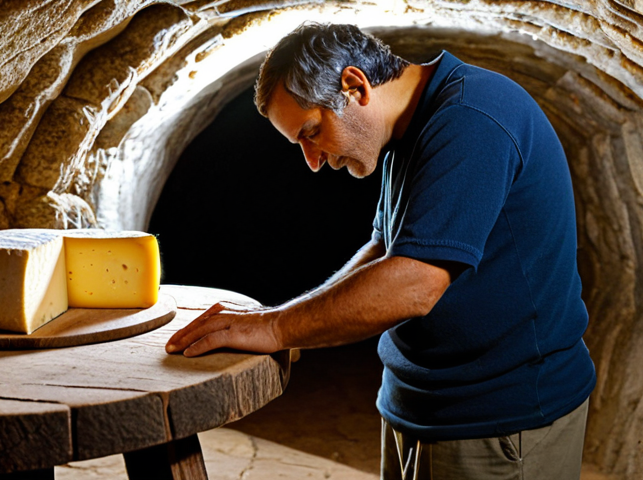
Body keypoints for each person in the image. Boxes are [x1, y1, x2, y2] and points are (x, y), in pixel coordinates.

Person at [165, 23, 596, 479]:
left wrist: (275, 327)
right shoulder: (409, 129)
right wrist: (287, 320)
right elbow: (384, 249)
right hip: (420, 407)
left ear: (354, 87)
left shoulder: (473, 117)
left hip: (500, 421)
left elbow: (414, 283)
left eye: (311, 132)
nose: (312, 162)